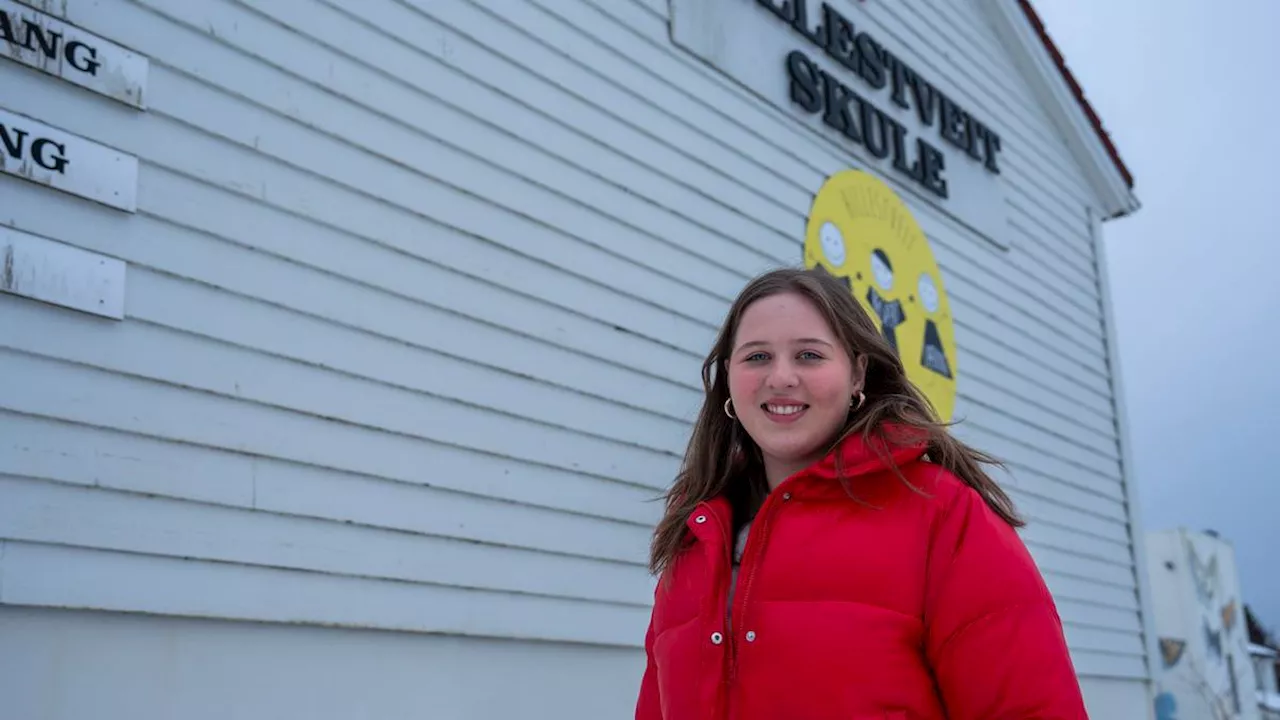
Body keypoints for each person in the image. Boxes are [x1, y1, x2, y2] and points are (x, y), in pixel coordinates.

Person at [634, 267, 1090, 720]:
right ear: (728, 379)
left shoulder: (941, 515)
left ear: (857, 375)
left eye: (809, 355)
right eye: (756, 357)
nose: (782, 377)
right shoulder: (696, 536)